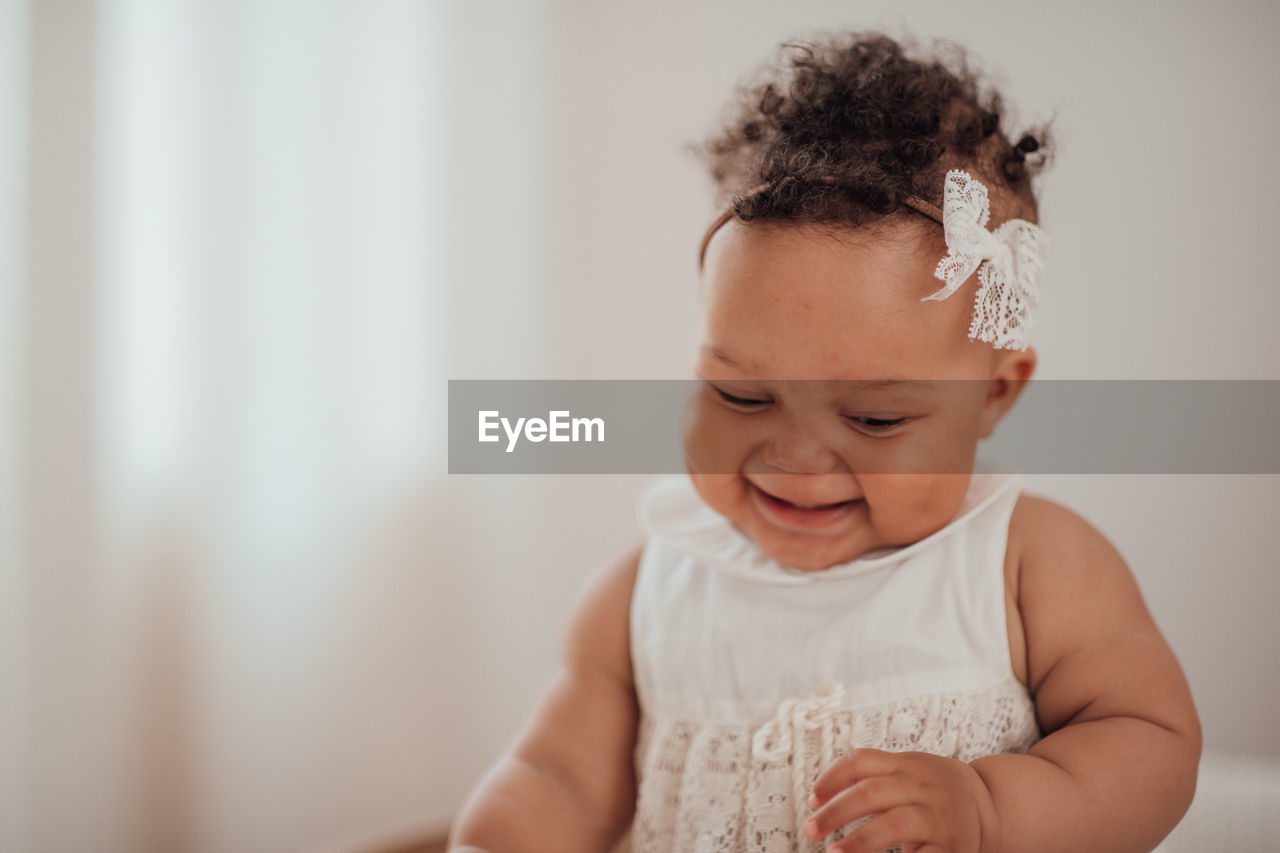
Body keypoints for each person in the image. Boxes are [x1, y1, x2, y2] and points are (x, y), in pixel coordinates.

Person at [448, 30, 1200, 853]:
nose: (796, 458)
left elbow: (1148, 739)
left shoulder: (1029, 564)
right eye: (740, 394)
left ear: (993, 393)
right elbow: (555, 783)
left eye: (876, 418)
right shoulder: (644, 593)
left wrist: (987, 807)